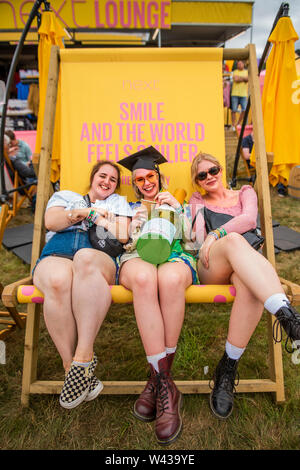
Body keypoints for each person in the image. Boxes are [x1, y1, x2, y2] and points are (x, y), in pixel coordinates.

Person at [189, 152, 300, 419]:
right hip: (211, 266)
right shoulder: (197, 201)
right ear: (197, 181)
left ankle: (227, 368)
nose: (209, 177)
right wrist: (216, 235)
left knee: (249, 288)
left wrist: (219, 233)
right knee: (235, 241)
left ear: (221, 170)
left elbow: (251, 220)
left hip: (246, 267)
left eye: (213, 170)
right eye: (202, 175)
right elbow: (198, 240)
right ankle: (288, 318)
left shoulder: (245, 193)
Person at [32, 160, 132, 409]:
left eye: (113, 179)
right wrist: (78, 213)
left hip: (95, 254)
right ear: (92, 177)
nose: (107, 182)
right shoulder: (65, 195)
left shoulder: (118, 203)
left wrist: (94, 217)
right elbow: (51, 222)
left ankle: (84, 355)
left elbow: (123, 234)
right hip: (58, 251)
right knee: (57, 281)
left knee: (84, 260)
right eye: (103, 175)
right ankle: (72, 368)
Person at [118, 146, 198, 446]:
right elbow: (124, 246)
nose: (146, 182)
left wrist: (177, 210)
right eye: (139, 179)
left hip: (175, 259)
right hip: (137, 260)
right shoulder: (128, 207)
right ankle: (166, 385)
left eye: (150, 175)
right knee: (144, 276)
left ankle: (157, 382)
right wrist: (138, 222)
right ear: (134, 184)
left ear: (159, 176)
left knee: (171, 276)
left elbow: (193, 244)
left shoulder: (179, 203)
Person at [231, 60, 248, 131]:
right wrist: (243, 79)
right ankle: (233, 125)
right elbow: (236, 79)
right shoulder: (235, 71)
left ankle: (238, 124)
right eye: (238, 64)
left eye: (241, 64)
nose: (239, 65)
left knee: (244, 110)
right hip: (235, 93)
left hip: (243, 94)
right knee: (234, 110)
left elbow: (247, 79)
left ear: (243, 64)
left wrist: (240, 78)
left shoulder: (246, 71)